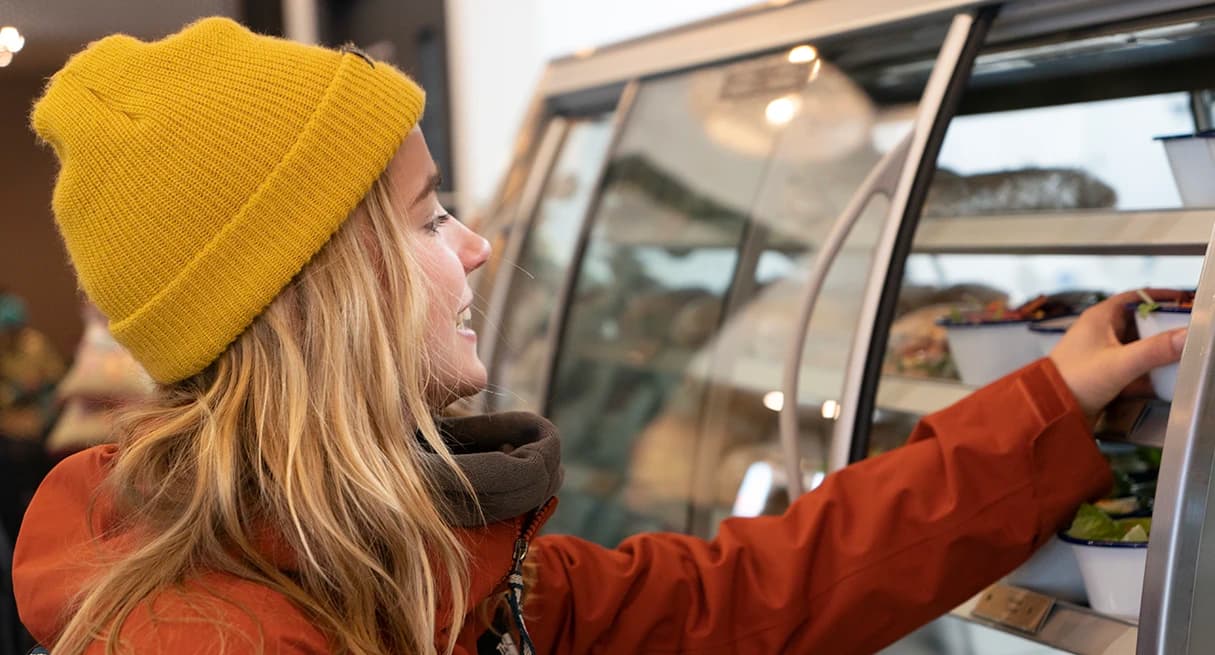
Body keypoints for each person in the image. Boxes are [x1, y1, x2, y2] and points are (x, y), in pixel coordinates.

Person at [13, 18, 1186, 655]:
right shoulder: (216, 637)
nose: (476, 247)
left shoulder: (417, 567)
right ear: (319, 290)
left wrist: (1045, 404)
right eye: (430, 218)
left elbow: (750, 595)